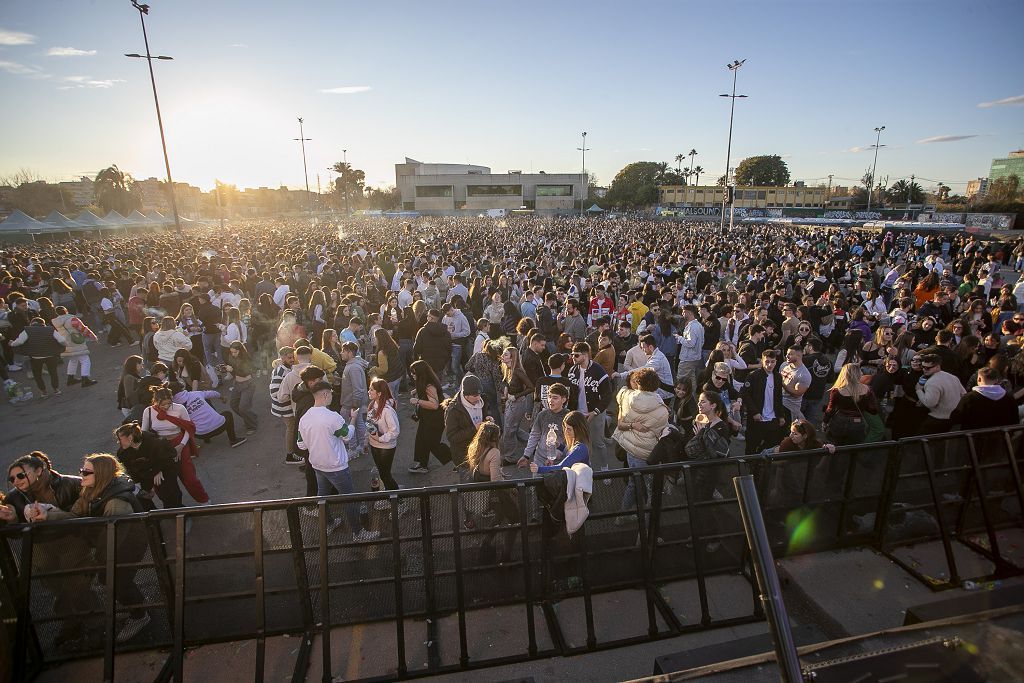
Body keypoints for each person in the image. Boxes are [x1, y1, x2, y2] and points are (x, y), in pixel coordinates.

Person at [27, 453, 151, 643]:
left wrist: (100, 561)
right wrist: (48, 514)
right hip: (111, 542)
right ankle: (134, 608)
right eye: (81, 470)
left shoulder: (116, 503)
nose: (81, 475)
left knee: (118, 580)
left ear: (101, 474)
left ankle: (140, 616)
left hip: (128, 543)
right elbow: (75, 516)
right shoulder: (90, 492)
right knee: (111, 579)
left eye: (86, 472)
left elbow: (113, 538)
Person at [296, 380, 379, 541]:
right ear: (325, 395)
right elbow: (347, 436)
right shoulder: (332, 417)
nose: (332, 397)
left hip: (317, 465)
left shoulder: (304, 418)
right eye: (331, 394)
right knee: (349, 498)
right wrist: (353, 419)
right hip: (336, 466)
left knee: (322, 497)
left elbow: (301, 445)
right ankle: (358, 532)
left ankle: (329, 524)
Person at [613, 368, 670, 518]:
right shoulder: (662, 410)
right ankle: (647, 522)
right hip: (649, 452)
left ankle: (622, 515)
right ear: (656, 385)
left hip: (630, 448)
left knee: (634, 483)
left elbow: (621, 393)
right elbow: (662, 432)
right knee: (651, 488)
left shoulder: (626, 396)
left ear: (638, 383)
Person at [140, 386, 211, 505]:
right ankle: (174, 506)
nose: (166, 407)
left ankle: (204, 500)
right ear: (155, 401)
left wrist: (181, 446)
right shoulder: (148, 411)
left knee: (189, 478)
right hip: (161, 447)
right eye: (163, 405)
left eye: (169, 404)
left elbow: (189, 428)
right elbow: (144, 433)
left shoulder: (180, 409)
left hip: (179, 442)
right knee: (163, 482)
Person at [566, 341, 614, 478]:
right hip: (579, 414)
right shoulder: (572, 371)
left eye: (576, 355)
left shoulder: (598, 370)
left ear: (585, 355)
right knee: (582, 444)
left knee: (598, 443)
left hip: (596, 412)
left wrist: (595, 412)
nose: (573, 358)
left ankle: (605, 469)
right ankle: (588, 468)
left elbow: (607, 395)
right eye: (572, 355)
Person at [113, 422, 183, 509]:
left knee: (169, 492)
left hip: (164, 468)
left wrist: (158, 470)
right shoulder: (123, 453)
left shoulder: (154, 441)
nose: (118, 442)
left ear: (130, 438)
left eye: (120, 439)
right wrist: (138, 485)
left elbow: (170, 455)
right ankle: (153, 518)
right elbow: (130, 469)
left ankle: (177, 511)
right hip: (144, 473)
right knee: (139, 496)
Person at [169, 380, 247, 448]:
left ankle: (196, 447)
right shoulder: (195, 394)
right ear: (182, 388)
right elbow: (213, 393)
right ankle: (233, 440)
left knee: (186, 424)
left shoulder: (174, 407)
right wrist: (222, 397)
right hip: (220, 427)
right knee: (227, 414)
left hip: (200, 434)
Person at [408, 359, 452, 473]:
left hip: (435, 419)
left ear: (420, 373)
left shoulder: (429, 386)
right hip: (427, 417)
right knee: (421, 439)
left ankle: (456, 460)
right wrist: (416, 391)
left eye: (414, 373)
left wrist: (417, 401)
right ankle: (422, 465)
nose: (412, 375)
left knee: (433, 443)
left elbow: (434, 405)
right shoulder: (425, 382)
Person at [741, 349, 789, 454]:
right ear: (762, 361)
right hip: (757, 419)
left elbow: (778, 397)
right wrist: (754, 412)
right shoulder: (753, 376)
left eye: (772, 361)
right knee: (751, 445)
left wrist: (781, 416)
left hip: (773, 419)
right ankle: (750, 465)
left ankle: (761, 464)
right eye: (767, 361)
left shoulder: (777, 377)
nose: (770, 364)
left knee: (771, 445)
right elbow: (745, 394)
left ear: (776, 362)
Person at [9, 316, 65, 398]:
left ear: (31, 324)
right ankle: (56, 389)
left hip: (35, 356)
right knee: (53, 373)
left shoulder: (27, 330)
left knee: (37, 375)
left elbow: (20, 341)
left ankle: (44, 392)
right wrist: (63, 347)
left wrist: (12, 344)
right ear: (43, 324)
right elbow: (62, 340)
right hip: (50, 355)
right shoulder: (50, 329)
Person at [822, 363, 877, 446]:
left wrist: (824, 422)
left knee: (835, 447)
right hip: (857, 423)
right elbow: (873, 410)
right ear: (858, 374)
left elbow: (830, 409)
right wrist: (862, 405)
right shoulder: (867, 390)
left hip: (839, 421)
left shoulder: (837, 391)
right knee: (853, 449)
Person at [915, 352, 966, 435]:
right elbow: (963, 394)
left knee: (923, 442)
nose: (924, 369)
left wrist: (918, 391)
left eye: (928, 368)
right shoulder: (952, 377)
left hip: (938, 418)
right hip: (953, 418)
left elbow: (930, 403)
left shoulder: (932, 382)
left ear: (938, 366)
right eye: (922, 367)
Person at [521, 382, 570, 468]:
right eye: (549, 397)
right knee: (536, 480)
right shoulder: (542, 415)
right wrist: (526, 455)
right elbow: (534, 435)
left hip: (560, 461)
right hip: (539, 458)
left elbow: (569, 443)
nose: (551, 400)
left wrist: (554, 457)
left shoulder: (568, 417)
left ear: (563, 400)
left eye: (555, 398)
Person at [444, 373, 489, 468]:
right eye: (475, 396)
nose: (478, 398)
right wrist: (474, 429)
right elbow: (452, 437)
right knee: (469, 481)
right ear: (465, 395)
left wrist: (487, 418)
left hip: (481, 451)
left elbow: (484, 415)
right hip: (464, 457)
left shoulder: (483, 399)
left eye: (479, 394)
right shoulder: (453, 410)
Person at [366, 378, 401, 499]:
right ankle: (389, 495)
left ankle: (398, 500)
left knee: (385, 474)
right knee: (382, 473)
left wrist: (380, 439)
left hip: (386, 447)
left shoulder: (387, 410)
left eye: (371, 389)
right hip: (374, 445)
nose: (369, 391)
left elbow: (395, 431)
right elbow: (370, 424)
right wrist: (370, 438)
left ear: (379, 393)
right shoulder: (372, 405)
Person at [500, 345, 535, 463]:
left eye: (505, 354)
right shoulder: (507, 369)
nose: (502, 356)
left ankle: (509, 457)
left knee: (510, 430)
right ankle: (533, 443)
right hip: (511, 402)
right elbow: (506, 382)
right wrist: (506, 390)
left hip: (518, 403)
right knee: (513, 428)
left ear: (512, 357)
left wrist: (516, 396)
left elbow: (531, 387)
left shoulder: (518, 371)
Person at [953, 367, 1018, 430]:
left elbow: (956, 418)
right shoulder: (1009, 398)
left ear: (979, 379)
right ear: (996, 380)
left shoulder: (969, 398)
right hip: (1003, 438)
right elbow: (1015, 420)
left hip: (974, 439)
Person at [529, 410, 591, 474]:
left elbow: (561, 467)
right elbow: (569, 452)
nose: (566, 432)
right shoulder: (578, 443)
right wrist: (559, 446)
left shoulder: (580, 448)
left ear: (578, 429)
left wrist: (538, 469)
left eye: (569, 429)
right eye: (565, 428)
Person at [51, 306, 98, 387]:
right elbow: (83, 329)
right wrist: (93, 336)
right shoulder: (72, 319)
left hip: (66, 342)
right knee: (85, 359)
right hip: (76, 341)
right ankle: (85, 379)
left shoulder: (56, 322)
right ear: (66, 311)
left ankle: (71, 378)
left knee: (73, 360)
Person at [339, 341, 369, 458]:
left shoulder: (353, 368)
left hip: (350, 404)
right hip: (354, 403)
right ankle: (362, 446)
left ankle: (353, 449)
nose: (341, 353)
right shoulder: (353, 365)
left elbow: (358, 389)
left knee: (348, 425)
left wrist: (354, 406)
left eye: (343, 351)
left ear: (350, 353)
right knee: (359, 422)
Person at [224, 341, 259, 434]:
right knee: (233, 405)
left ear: (240, 351)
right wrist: (226, 369)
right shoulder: (231, 357)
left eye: (235, 352)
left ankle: (252, 426)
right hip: (237, 384)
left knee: (243, 407)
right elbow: (233, 373)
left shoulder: (246, 359)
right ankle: (250, 417)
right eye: (232, 352)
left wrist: (232, 370)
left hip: (248, 384)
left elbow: (245, 373)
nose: (233, 354)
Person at [779, 346, 812, 422]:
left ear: (799, 356)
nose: (787, 356)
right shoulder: (784, 365)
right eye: (787, 353)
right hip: (777, 402)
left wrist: (782, 384)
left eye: (790, 354)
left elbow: (797, 394)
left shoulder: (804, 374)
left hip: (790, 407)